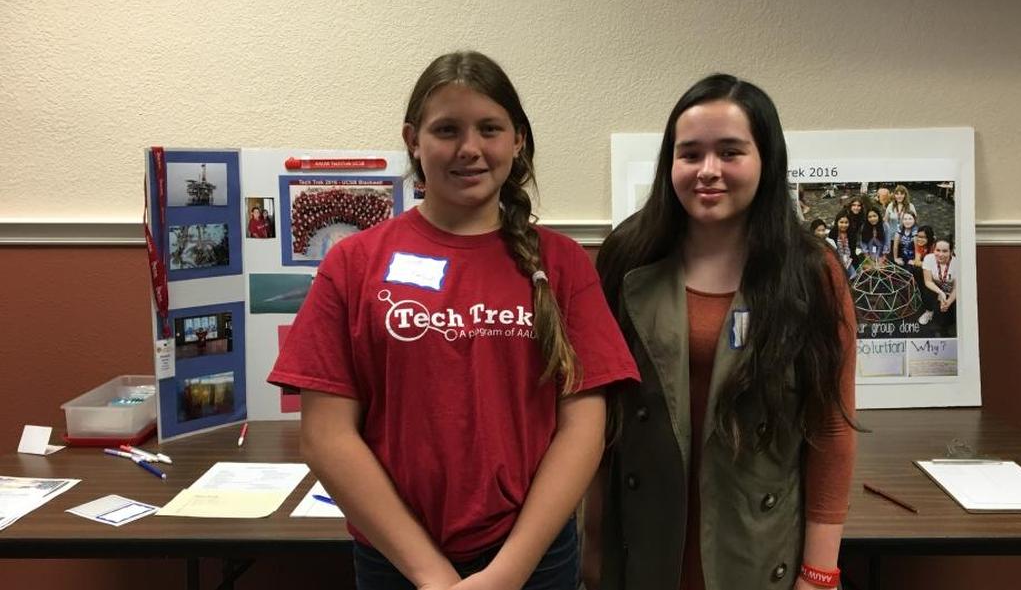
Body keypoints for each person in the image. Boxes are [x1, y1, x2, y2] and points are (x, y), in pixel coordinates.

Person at [269, 51, 638, 590]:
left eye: (490, 128)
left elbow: (583, 428)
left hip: (533, 561)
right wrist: (432, 576)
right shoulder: (353, 264)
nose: (470, 148)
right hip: (397, 562)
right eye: (447, 130)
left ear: (518, 139)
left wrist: (508, 573)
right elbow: (326, 435)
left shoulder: (562, 265)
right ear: (413, 140)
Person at [585, 74, 857, 590]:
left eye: (730, 152)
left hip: (756, 542)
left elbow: (830, 429)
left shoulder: (810, 271)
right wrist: (594, 544)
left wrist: (820, 573)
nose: (708, 170)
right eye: (690, 154)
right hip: (645, 537)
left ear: (766, 160)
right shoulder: (628, 256)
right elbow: (603, 419)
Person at [919, 237, 958, 332]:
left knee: (945, 321)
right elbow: (928, 281)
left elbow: (957, 288)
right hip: (935, 287)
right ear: (934, 250)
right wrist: (941, 293)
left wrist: (948, 302)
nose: (940, 254)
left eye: (945, 251)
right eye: (938, 250)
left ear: (951, 251)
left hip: (950, 290)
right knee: (926, 289)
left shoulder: (957, 263)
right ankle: (929, 311)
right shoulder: (928, 258)